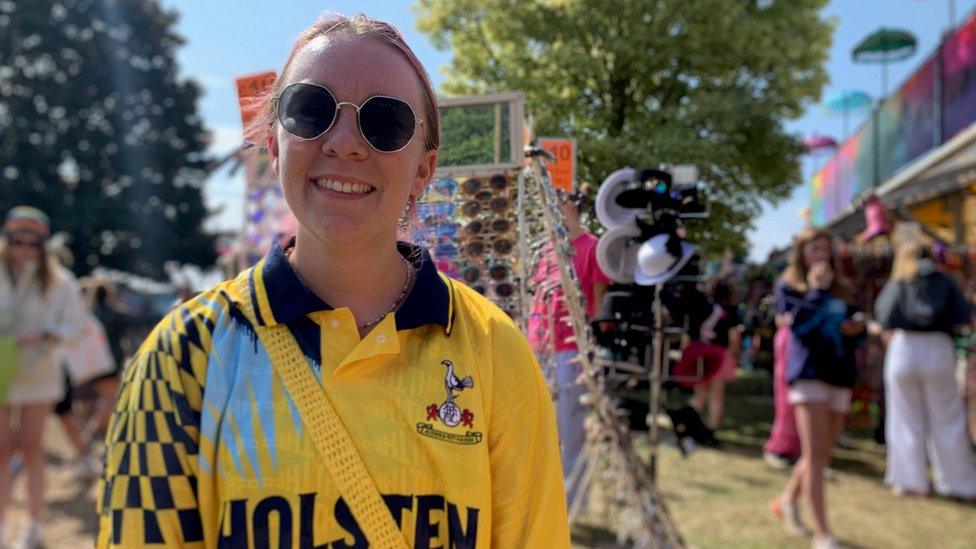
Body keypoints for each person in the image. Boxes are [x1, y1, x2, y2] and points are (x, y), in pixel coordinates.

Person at [98, 13, 569, 548]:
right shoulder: (183, 355)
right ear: (275, 146)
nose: (344, 142)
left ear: (423, 169)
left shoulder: (494, 351)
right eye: (310, 110)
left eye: (386, 122)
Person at [771, 228, 863, 549]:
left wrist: (856, 330)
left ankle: (786, 500)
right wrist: (817, 291)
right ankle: (823, 533)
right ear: (802, 254)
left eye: (825, 249)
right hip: (809, 375)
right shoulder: (788, 287)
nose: (821, 256)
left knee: (822, 454)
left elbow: (855, 328)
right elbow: (800, 327)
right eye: (814, 250)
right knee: (812, 455)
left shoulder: (845, 288)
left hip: (840, 374)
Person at [0, 206, 85, 548]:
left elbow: (75, 326)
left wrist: (47, 335)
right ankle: (3, 524)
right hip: (3, 372)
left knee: (33, 447)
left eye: (32, 243)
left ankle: (34, 525)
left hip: (39, 372)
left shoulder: (60, 280)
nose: (24, 248)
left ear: (43, 244)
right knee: (2, 451)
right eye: (18, 240)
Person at [527, 186, 611, 507]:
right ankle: (546, 498)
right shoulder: (548, 248)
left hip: (570, 347)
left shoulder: (592, 247)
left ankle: (573, 500)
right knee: (541, 426)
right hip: (539, 346)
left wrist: (591, 349)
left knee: (570, 424)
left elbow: (598, 303)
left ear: (571, 205)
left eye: (556, 202)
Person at [874, 239, 976, 500]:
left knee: (905, 418)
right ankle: (960, 483)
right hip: (937, 348)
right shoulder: (944, 280)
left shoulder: (899, 281)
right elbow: (963, 317)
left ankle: (911, 481)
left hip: (904, 347)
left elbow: (882, 315)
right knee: (948, 419)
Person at [688, 280, 742, 438]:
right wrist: (735, 355)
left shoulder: (701, 307)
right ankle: (710, 431)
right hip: (720, 354)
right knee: (716, 396)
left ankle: (687, 425)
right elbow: (735, 336)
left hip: (699, 352)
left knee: (700, 395)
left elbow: (692, 331)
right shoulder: (732, 310)